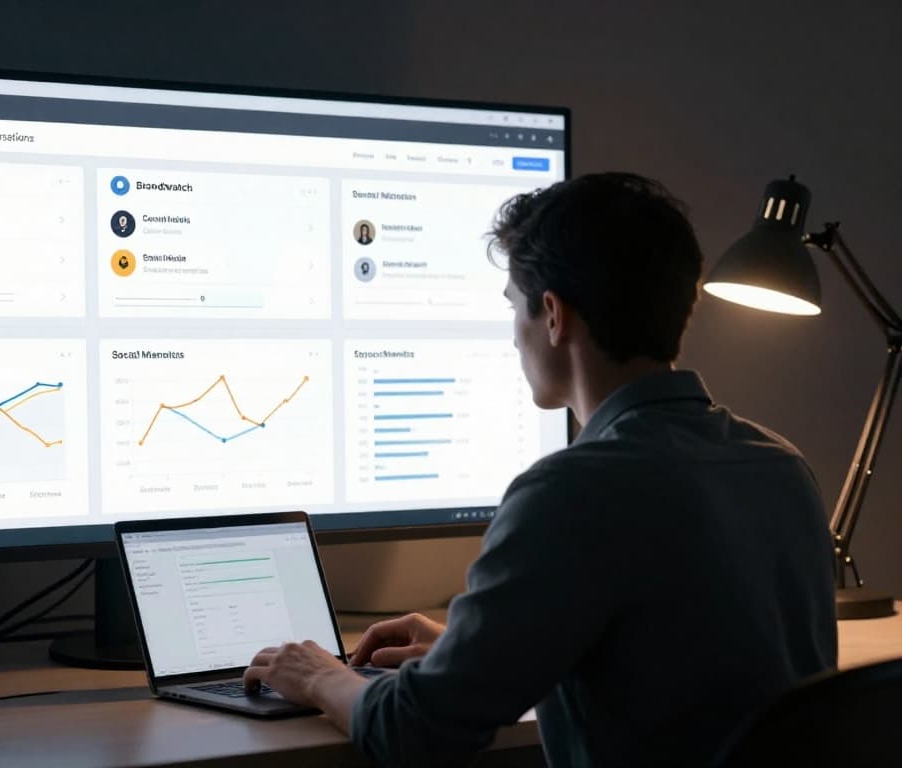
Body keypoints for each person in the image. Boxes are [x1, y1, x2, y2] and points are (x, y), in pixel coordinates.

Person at [243, 173, 837, 767]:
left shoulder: (569, 492)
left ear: (553, 315)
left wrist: (318, 675)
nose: (512, 337)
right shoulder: (781, 466)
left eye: (514, 307)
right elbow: (679, 662)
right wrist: (472, 652)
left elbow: (413, 732)